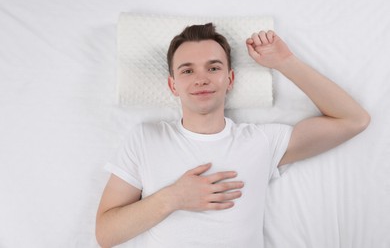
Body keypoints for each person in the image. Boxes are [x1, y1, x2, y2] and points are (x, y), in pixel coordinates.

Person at [95, 23, 370, 248]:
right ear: (173, 85)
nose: (201, 79)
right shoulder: (146, 137)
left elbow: (353, 119)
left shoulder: (260, 141)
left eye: (213, 68)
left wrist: (285, 62)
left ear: (230, 79)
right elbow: (106, 234)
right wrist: (173, 198)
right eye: (187, 70)